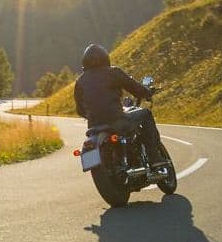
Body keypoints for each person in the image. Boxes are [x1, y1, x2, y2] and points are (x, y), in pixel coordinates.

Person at [73, 43, 171, 171]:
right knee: (146, 114)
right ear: (105, 58)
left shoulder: (80, 81)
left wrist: (91, 115)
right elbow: (134, 88)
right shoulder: (113, 72)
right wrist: (147, 92)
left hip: (94, 127)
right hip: (116, 120)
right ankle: (154, 157)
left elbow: (79, 109)